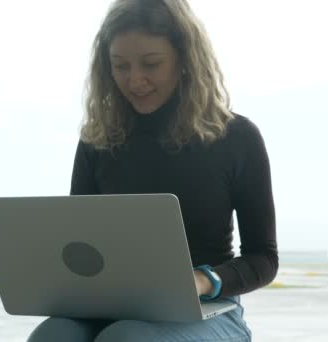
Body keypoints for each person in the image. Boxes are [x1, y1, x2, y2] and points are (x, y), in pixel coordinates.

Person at [28, 0, 277, 341]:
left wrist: (202, 281)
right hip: (114, 305)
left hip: (209, 308)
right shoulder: (98, 141)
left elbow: (263, 258)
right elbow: (81, 244)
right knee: (52, 335)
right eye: (120, 66)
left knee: (126, 338)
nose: (135, 80)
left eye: (151, 64)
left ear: (185, 59)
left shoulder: (236, 137)